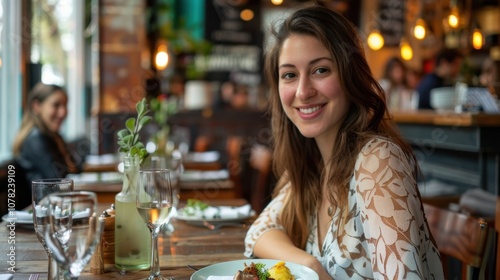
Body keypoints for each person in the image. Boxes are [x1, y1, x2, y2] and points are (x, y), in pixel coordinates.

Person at [243, 6, 444, 280]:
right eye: (289, 74)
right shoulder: (313, 163)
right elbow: (258, 233)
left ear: (350, 76)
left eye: (321, 70)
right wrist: (312, 267)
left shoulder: (378, 162)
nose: (303, 91)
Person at [12, 83, 83, 195]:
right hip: (41, 208)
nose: (63, 112)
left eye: (65, 105)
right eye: (56, 105)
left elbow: (76, 169)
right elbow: (57, 180)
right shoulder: (35, 139)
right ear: (36, 106)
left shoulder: (53, 136)